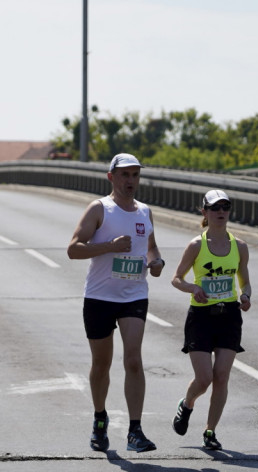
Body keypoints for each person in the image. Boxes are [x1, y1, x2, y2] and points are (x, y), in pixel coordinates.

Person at [66, 153, 164, 453]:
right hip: (99, 297)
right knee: (101, 364)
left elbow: (150, 247)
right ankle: (99, 418)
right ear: (111, 177)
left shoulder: (144, 212)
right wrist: (109, 246)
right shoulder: (100, 209)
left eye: (135, 175)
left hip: (134, 295)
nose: (130, 180)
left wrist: (156, 262)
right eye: (124, 175)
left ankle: (135, 430)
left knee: (133, 359)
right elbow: (73, 249)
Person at [170, 189, 252, 451]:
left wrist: (246, 296)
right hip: (201, 316)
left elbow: (245, 280)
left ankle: (210, 431)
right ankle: (187, 403)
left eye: (225, 207)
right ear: (204, 212)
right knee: (204, 378)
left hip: (229, 315)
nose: (221, 212)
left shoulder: (239, 246)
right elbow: (176, 278)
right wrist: (193, 288)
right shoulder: (196, 245)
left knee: (222, 376)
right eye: (215, 208)